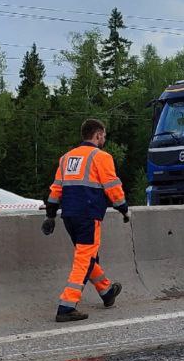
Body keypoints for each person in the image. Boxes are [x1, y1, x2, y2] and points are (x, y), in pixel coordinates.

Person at [42, 118, 129, 322]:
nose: (104, 139)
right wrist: (124, 209)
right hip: (88, 215)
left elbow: (55, 190)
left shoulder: (66, 158)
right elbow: (113, 187)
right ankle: (67, 305)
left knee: (87, 255)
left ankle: (106, 291)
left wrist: (50, 215)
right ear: (97, 135)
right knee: (84, 259)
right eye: (104, 136)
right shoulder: (101, 157)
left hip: (69, 216)